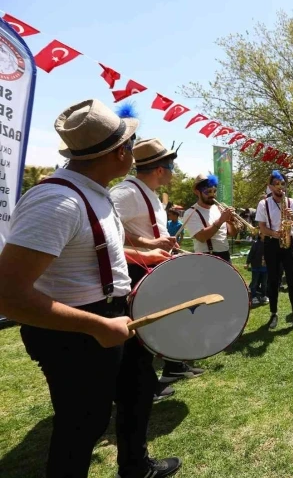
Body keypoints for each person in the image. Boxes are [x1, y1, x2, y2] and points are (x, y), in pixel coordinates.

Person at [0, 99, 181, 477]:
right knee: (83, 424)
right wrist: (97, 326)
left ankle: (135, 466)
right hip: (76, 331)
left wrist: (147, 254)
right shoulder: (56, 202)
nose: (134, 151)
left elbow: (98, 250)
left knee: (138, 390)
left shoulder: (94, 191)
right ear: (120, 153)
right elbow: (9, 295)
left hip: (114, 314)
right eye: (131, 144)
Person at [111, 138, 204, 391]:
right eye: (172, 166)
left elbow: (130, 231)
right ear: (161, 170)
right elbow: (104, 235)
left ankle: (172, 368)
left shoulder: (147, 193)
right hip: (135, 269)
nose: (174, 171)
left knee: (163, 322)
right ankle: (142, 387)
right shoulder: (125, 193)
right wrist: (148, 247)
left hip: (151, 267)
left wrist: (155, 242)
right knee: (140, 334)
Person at [255, 170, 293, 333]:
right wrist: (275, 234)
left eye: (283, 184)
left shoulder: (291, 202)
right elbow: (262, 228)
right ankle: (273, 313)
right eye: (276, 184)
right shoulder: (264, 204)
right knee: (273, 280)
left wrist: (292, 217)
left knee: (292, 280)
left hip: (288, 242)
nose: (280, 187)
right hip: (271, 243)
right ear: (270, 186)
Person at [186, 174, 238, 261]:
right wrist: (221, 220)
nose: (212, 195)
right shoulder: (191, 212)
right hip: (206, 257)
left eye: (214, 191)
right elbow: (201, 237)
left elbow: (232, 233)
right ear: (197, 192)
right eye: (208, 192)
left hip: (225, 255)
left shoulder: (219, 208)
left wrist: (231, 222)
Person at [246, 234, 268, 306]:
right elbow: (251, 254)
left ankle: (263, 295)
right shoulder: (255, 243)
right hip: (256, 266)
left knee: (264, 283)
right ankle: (253, 296)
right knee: (255, 282)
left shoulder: (269, 243)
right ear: (260, 235)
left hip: (265, 267)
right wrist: (247, 263)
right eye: (263, 233)